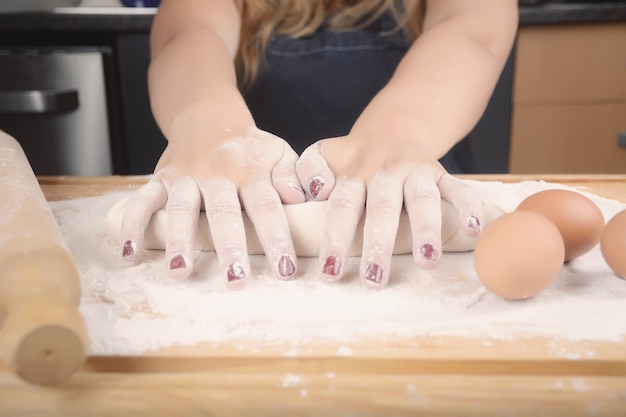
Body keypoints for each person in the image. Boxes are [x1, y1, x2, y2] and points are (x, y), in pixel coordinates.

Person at [118, 0, 518, 290]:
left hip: (414, 197)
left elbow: (473, 31)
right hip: (236, 197)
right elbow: (188, 30)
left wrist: (400, 130)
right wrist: (206, 119)